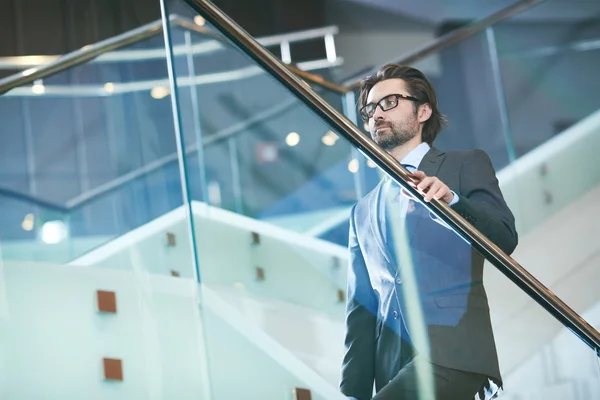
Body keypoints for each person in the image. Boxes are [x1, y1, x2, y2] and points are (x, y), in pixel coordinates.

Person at [339, 64, 518, 400]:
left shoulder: (464, 165)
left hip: (454, 353)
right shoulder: (361, 211)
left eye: (389, 102)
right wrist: (354, 393)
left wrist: (452, 201)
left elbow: (504, 239)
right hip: (391, 363)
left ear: (423, 111)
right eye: (370, 108)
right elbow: (361, 309)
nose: (377, 113)